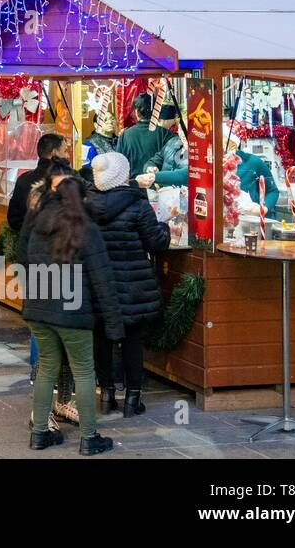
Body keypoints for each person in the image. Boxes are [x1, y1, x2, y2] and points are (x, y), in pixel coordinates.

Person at [20, 170, 124, 454]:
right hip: (73, 311)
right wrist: (115, 327)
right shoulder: (86, 229)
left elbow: (26, 263)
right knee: (83, 372)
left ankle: (40, 433)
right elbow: (103, 279)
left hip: (39, 308)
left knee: (46, 369)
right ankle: (90, 438)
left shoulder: (37, 223)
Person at [86, 151, 170, 417]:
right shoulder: (137, 204)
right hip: (133, 284)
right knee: (133, 341)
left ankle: (107, 394)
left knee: (101, 338)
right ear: (123, 175)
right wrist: (166, 228)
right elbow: (156, 241)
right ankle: (133, 398)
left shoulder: (85, 204)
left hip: (98, 283)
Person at [6, 131, 69, 382]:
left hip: (32, 256)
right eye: (65, 149)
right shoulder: (67, 180)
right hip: (61, 258)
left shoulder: (24, 181)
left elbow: (13, 219)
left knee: (38, 316)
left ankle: (38, 369)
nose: (67, 153)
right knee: (63, 314)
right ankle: (61, 374)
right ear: (54, 153)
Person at [115, 92, 172, 177]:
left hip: (134, 186)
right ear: (156, 111)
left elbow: (119, 164)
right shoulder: (164, 133)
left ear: (136, 112)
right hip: (159, 187)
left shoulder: (125, 135)